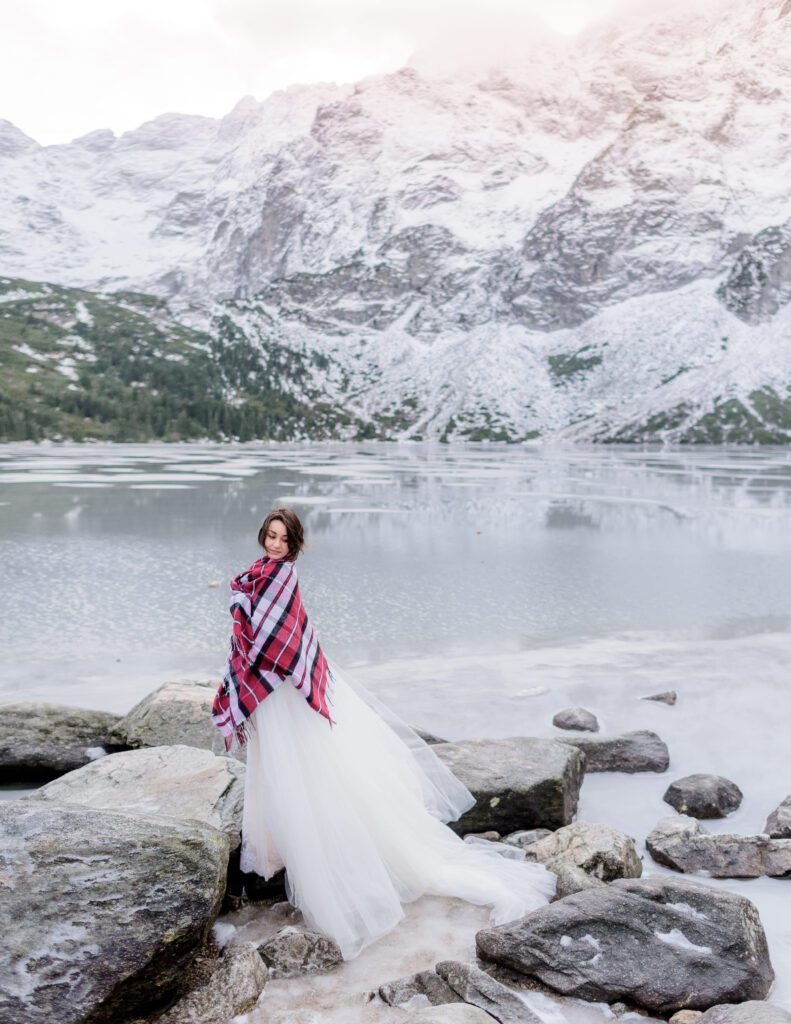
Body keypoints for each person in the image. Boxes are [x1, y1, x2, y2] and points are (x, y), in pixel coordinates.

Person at [212, 507, 555, 959]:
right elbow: (257, 637)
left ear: (294, 544)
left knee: (300, 769)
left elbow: (282, 643)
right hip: (273, 692)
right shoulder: (257, 574)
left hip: (284, 688)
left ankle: (325, 871)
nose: (274, 544)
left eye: (282, 538)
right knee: (278, 768)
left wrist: (250, 677)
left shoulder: (282, 578)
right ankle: (282, 849)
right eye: (270, 536)